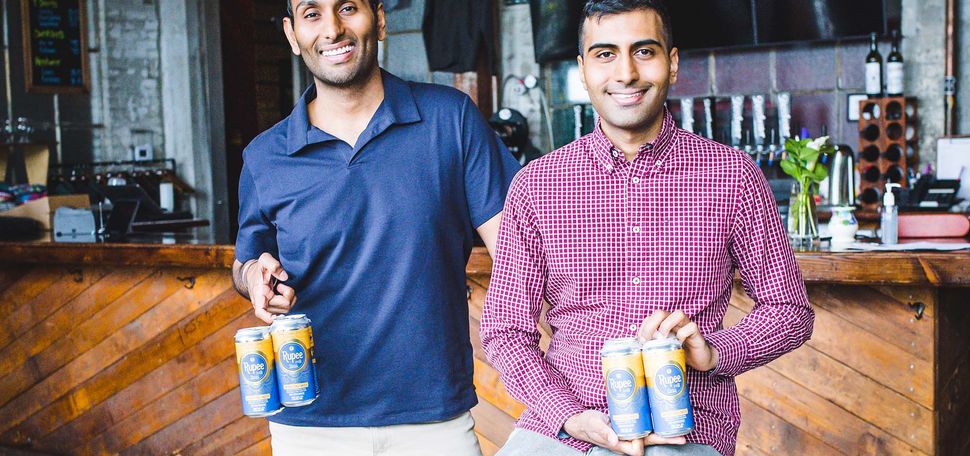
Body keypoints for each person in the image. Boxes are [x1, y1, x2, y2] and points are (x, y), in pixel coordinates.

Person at [480, 1, 814, 455]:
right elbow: (504, 329)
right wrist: (571, 416)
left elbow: (789, 310)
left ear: (672, 64)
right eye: (604, 55)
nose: (626, 73)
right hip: (563, 425)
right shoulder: (537, 185)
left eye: (644, 51)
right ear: (583, 70)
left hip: (686, 426)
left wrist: (715, 351)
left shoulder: (732, 175)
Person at [231, 0, 521, 453]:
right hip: (309, 424)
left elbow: (519, 252)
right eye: (312, 14)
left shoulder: (451, 120)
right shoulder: (265, 156)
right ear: (292, 35)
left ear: (379, 19)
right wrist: (252, 277)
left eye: (347, 7)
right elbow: (246, 260)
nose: (332, 28)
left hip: (434, 420)